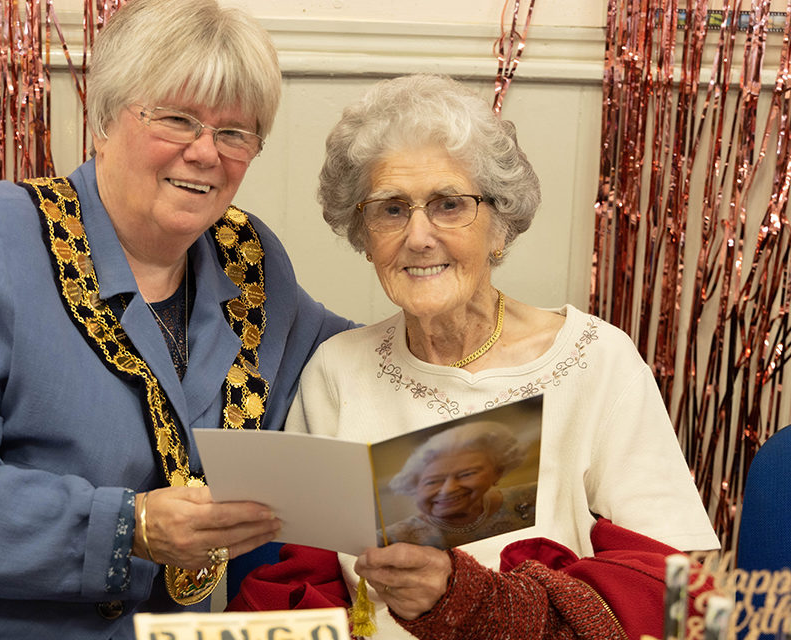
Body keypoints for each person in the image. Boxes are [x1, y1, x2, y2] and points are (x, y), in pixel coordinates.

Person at [0, 0, 351, 637]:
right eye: (176, 119)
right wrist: (129, 528)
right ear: (106, 118)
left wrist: (453, 288)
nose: (205, 153)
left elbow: (369, 358)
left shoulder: (251, 262)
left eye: (234, 133)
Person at [252, 73, 719, 638]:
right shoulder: (338, 370)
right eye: (391, 209)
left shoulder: (596, 362)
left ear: (499, 226)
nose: (419, 236)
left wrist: (463, 597)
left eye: (449, 204)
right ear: (365, 235)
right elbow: (308, 586)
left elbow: (677, 590)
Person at [383, 421, 536, 548]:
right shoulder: (390, 540)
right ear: (415, 487)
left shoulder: (533, 498)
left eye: (467, 474)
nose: (448, 489)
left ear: (498, 472)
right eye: (433, 481)